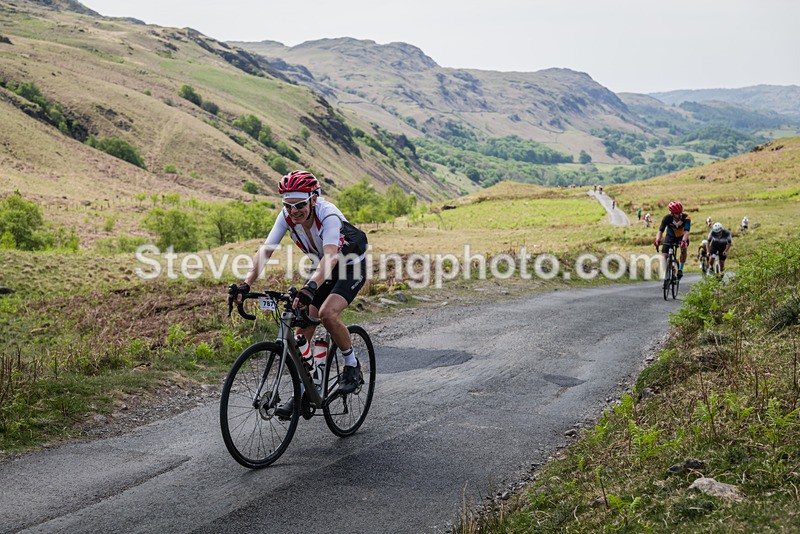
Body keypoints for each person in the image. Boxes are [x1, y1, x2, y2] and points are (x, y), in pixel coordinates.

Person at [230, 170, 369, 416]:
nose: (294, 211)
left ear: (314, 198)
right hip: (323, 269)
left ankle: (351, 364)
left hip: (349, 265)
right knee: (301, 330)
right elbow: (266, 251)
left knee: (327, 314)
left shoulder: (329, 216)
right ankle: (308, 389)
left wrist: (310, 287)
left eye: (300, 205)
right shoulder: (286, 216)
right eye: (288, 205)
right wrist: (246, 284)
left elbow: (330, 258)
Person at [654, 201, 691, 279]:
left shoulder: (686, 217)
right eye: (677, 213)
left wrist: (684, 241)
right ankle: (667, 272)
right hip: (670, 236)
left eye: (680, 212)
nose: (680, 215)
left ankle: (680, 269)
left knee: (684, 249)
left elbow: (686, 232)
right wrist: (657, 240)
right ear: (672, 214)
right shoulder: (667, 218)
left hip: (682, 236)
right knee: (664, 255)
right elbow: (660, 231)